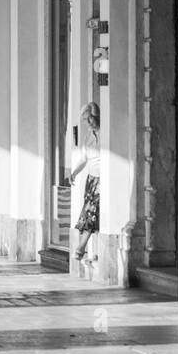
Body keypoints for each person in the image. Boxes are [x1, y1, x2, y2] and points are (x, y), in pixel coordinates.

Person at [71, 101, 102, 265]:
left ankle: (81, 247)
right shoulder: (88, 136)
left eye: (90, 119)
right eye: (86, 120)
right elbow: (83, 158)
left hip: (103, 180)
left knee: (93, 212)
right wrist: (74, 173)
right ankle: (92, 251)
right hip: (91, 179)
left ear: (97, 117)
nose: (88, 123)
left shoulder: (106, 132)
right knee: (89, 214)